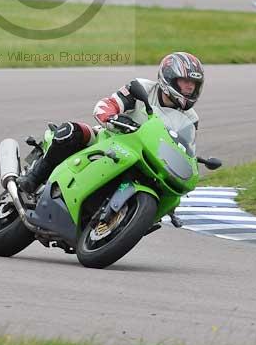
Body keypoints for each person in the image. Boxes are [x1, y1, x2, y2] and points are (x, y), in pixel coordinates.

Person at [17, 51, 205, 225]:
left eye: (194, 84)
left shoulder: (191, 119)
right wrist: (111, 116)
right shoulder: (143, 88)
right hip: (110, 138)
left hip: (148, 157)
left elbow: (184, 146)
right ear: (169, 78)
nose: (190, 87)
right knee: (71, 132)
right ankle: (34, 178)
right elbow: (107, 104)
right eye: (185, 81)